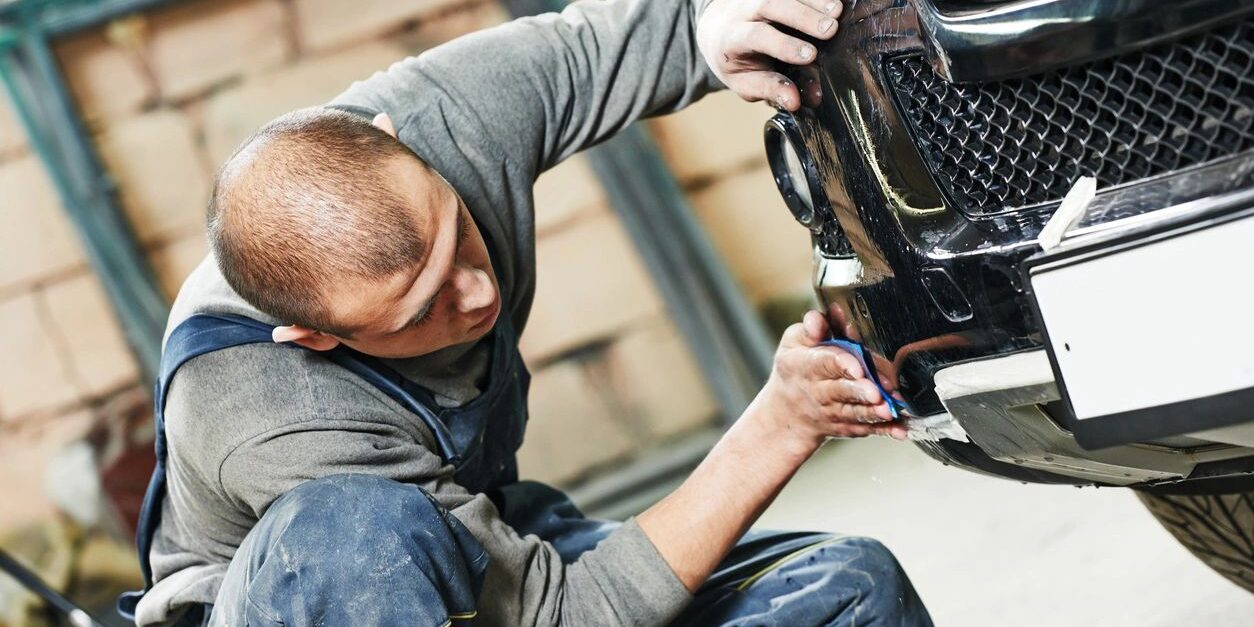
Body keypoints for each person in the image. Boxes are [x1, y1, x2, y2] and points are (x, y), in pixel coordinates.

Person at [119, 0, 934, 624]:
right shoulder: (267, 415)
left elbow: (607, 47)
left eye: (458, 238)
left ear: (399, 140)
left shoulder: (438, 121)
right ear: (317, 338)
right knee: (354, 531)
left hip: (476, 537)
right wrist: (783, 421)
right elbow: (568, 613)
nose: (478, 294)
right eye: (420, 307)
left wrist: (714, 21)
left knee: (845, 592)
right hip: (342, 588)